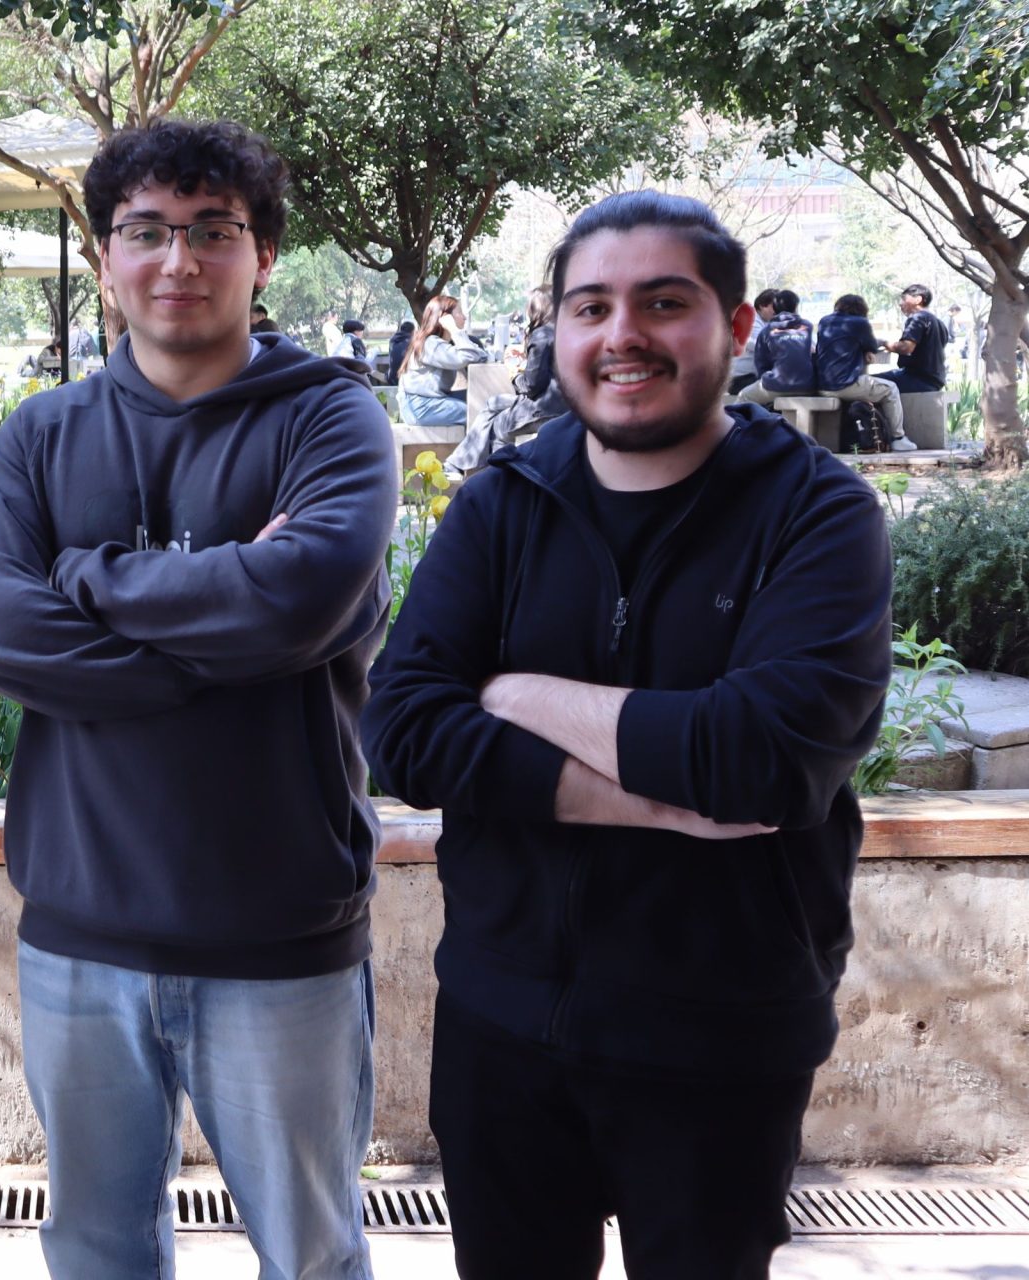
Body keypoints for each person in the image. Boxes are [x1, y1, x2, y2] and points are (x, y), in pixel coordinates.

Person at [364, 190, 891, 1280]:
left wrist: (509, 692)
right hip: (502, 1023)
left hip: (721, 1036)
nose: (623, 335)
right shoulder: (502, 504)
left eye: (663, 302)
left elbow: (762, 758)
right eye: (591, 306)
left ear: (734, 327)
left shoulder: (819, 514)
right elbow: (404, 731)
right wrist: (673, 794)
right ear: (556, 328)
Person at [0, 117, 395, 1280]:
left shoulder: (330, 417)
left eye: (213, 230)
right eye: (146, 231)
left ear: (262, 255)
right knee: (96, 1251)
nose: (178, 259)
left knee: (310, 1255)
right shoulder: (43, 435)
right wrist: (230, 632)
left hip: (279, 932)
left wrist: (84, 576)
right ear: (105, 257)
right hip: (79, 934)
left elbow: (297, 598)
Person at [444, 285, 566, 479]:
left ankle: (494, 480)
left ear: (537, 308)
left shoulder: (542, 335)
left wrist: (514, 373)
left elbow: (532, 385)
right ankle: (456, 465)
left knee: (497, 427)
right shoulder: (565, 331)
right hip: (564, 406)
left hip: (545, 408)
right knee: (493, 403)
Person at [816, 294, 910, 451]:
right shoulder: (859, 323)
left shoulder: (825, 321)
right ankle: (898, 438)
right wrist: (881, 343)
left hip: (822, 386)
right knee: (891, 389)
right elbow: (872, 345)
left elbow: (845, 342)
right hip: (845, 385)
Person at [397, 294, 490, 425]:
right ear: (445, 318)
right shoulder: (430, 344)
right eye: (459, 312)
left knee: (482, 403)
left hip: (429, 402)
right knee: (478, 413)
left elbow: (480, 356)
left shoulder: (441, 343)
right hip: (420, 407)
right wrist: (455, 330)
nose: (464, 317)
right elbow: (468, 356)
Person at [736, 286, 817, 408]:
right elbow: (814, 352)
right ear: (796, 307)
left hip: (778, 383)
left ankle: (738, 421)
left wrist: (768, 378)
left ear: (774, 308)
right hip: (808, 385)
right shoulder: (807, 326)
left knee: (744, 396)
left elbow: (761, 362)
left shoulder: (767, 330)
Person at [876, 283, 952, 395]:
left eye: (904, 299)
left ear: (918, 300)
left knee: (866, 382)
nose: (900, 304)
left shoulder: (918, 317)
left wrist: (883, 343)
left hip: (916, 379)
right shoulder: (939, 323)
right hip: (935, 381)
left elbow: (906, 347)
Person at [726, 288, 777, 393]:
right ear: (762, 306)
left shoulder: (768, 322)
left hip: (752, 376)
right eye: (774, 306)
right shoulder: (751, 320)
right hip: (740, 379)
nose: (777, 310)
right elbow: (761, 345)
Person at [384, 319, 415, 386]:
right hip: (405, 379)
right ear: (413, 331)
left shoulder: (392, 340)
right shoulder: (413, 342)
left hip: (391, 378)